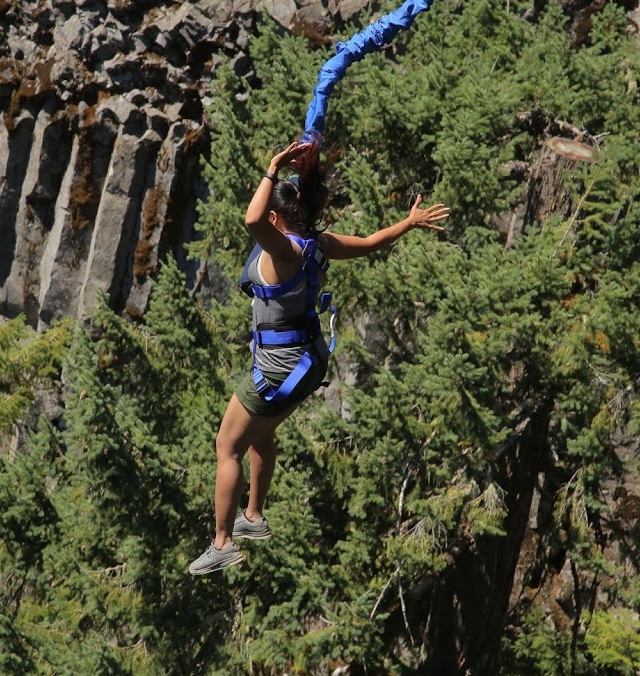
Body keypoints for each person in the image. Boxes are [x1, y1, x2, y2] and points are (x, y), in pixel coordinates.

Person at [188, 138, 449, 575]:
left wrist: (272, 166)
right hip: (309, 362)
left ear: (276, 218)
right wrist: (410, 222)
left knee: (227, 446)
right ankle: (253, 516)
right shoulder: (318, 242)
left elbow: (252, 218)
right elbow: (369, 242)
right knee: (261, 437)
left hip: (278, 368)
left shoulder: (284, 251)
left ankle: (222, 542)